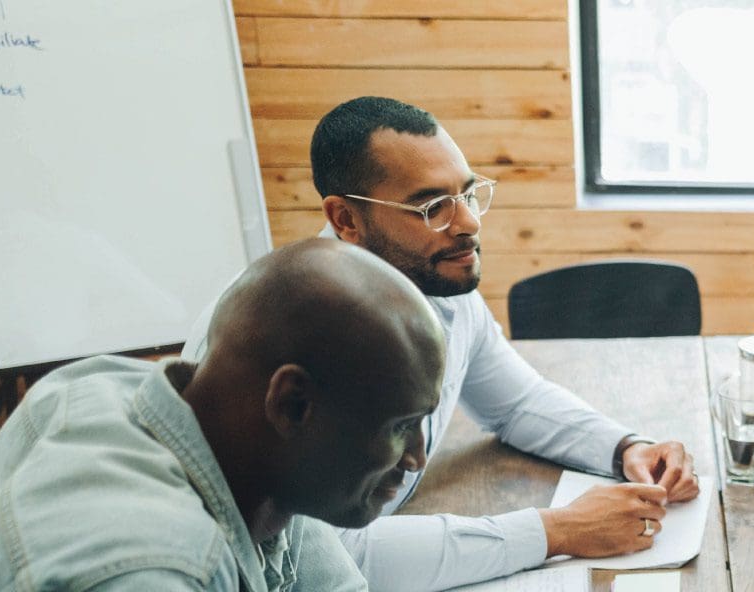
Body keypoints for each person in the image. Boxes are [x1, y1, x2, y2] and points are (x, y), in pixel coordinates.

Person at [185, 97, 698, 591]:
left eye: (468, 194)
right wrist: (556, 530)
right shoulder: (290, 338)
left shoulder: (437, 283)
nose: (470, 224)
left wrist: (625, 447)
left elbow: (516, 402)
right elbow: (334, 557)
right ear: (346, 220)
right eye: (432, 206)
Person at [0, 239, 444, 591]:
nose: (416, 458)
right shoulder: (152, 572)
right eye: (402, 426)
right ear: (292, 405)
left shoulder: (244, 446)